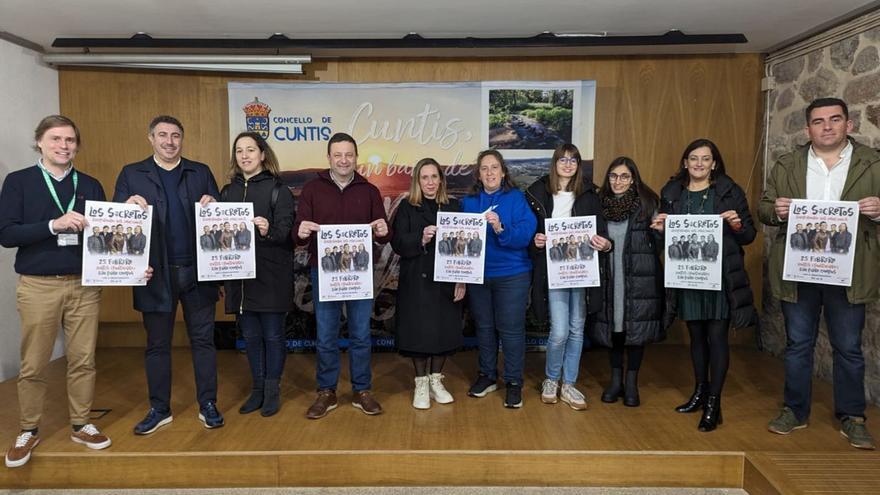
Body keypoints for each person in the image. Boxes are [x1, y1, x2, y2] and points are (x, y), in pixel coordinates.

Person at [759, 97, 879, 450]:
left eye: (834, 120)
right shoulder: (787, 164)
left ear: (849, 125)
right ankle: (794, 411)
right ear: (807, 128)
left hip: (850, 270)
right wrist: (777, 210)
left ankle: (853, 417)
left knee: (848, 347)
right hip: (801, 268)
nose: (826, 127)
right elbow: (765, 207)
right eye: (818, 121)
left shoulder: (871, 163)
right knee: (798, 345)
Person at [1, 115, 111, 468]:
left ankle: (81, 423)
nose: (63, 146)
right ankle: (28, 429)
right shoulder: (19, 182)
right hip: (38, 286)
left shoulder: (91, 184)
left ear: (77, 145)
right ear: (40, 142)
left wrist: (134, 262)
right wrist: (53, 225)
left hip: (83, 285)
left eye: (70, 140)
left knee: (83, 359)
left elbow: (108, 238)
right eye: (56, 139)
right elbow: (7, 234)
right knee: (34, 363)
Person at [114, 115, 224, 434]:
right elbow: (118, 226)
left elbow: (218, 219)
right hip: (153, 275)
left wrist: (214, 204)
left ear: (182, 139)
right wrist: (124, 205)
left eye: (175, 135)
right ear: (150, 138)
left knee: (203, 341)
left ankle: (208, 403)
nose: (169, 141)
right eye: (162, 135)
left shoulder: (200, 172)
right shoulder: (131, 174)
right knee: (157, 344)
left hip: (197, 273)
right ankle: (159, 408)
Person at [652, 138, 756, 432]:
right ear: (685, 162)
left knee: (717, 337)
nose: (699, 163)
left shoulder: (728, 191)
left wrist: (736, 224)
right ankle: (699, 391)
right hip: (687, 275)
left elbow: (748, 235)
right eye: (693, 158)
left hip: (719, 276)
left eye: (705, 159)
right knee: (695, 337)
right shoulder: (671, 192)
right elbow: (665, 240)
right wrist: (660, 230)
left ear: (714, 163)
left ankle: (714, 402)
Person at [294, 132, 391, 419]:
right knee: (326, 335)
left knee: (361, 333)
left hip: (359, 273)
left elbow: (384, 234)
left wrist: (384, 231)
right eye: (338, 154)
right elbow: (298, 231)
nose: (344, 160)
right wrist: (299, 232)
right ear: (329, 158)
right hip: (325, 272)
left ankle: (362, 390)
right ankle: (327, 391)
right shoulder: (312, 189)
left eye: (349, 154)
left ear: (356, 157)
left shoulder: (370, 190)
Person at [526, 143, 610, 411]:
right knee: (559, 330)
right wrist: (535, 241)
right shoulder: (537, 193)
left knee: (576, 329)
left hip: (582, 271)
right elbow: (528, 235)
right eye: (563, 159)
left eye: (573, 160)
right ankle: (551, 379)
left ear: (578, 165)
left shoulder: (589, 194)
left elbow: (604, 233)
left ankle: (569, 383)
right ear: (554, 163)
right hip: (554, 272)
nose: (568, 164)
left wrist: (604, 243)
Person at [220, 131, 295, 417]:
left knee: (273, 336)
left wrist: (267, 230)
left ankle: (272, 390)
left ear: (263, 154)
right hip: (240, 278)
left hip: (272, 276)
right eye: (239, 150)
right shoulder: (227, 192)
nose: (245, 155)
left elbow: (286, 234)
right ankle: (258, 390)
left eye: (250, 149)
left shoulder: (279, 190)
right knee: (250, 337)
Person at [462, 149, 537, 408]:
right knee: (484, 328)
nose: (490, 173)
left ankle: (514, 382)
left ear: (503, 172)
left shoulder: (515, 198)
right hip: (479, 275)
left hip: (512, 274)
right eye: (484, 168)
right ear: (478, 174)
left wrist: (500, 228)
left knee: (511, 330)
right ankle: (487, 376)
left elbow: (526, 234)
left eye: (494, 168)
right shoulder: (469, 203)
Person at [391, 158, 466, 409]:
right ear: (417, 181)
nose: (430, 182)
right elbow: (398, 243)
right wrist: (420, 238)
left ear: (441, 180)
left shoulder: (454, 206)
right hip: (417, 282)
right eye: (425, 177)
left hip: (447, 280)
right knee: (419, 333)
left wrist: (462, 281)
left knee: (443, 330)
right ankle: (421, 382)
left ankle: (436, 380)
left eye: (434, 177)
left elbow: (465, 250)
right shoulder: (406, 207)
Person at [591, 156, 664, 408]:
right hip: (608, 275)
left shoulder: (648, 202)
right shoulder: (597, 204)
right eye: (613, 176)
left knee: (635, 330)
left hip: (639, 278)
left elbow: (661, 246)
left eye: (624, 176)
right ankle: (615, 381)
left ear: (633, 179)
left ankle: (631, 381)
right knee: (614, 328)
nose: (618, 181)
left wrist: (660, 231)